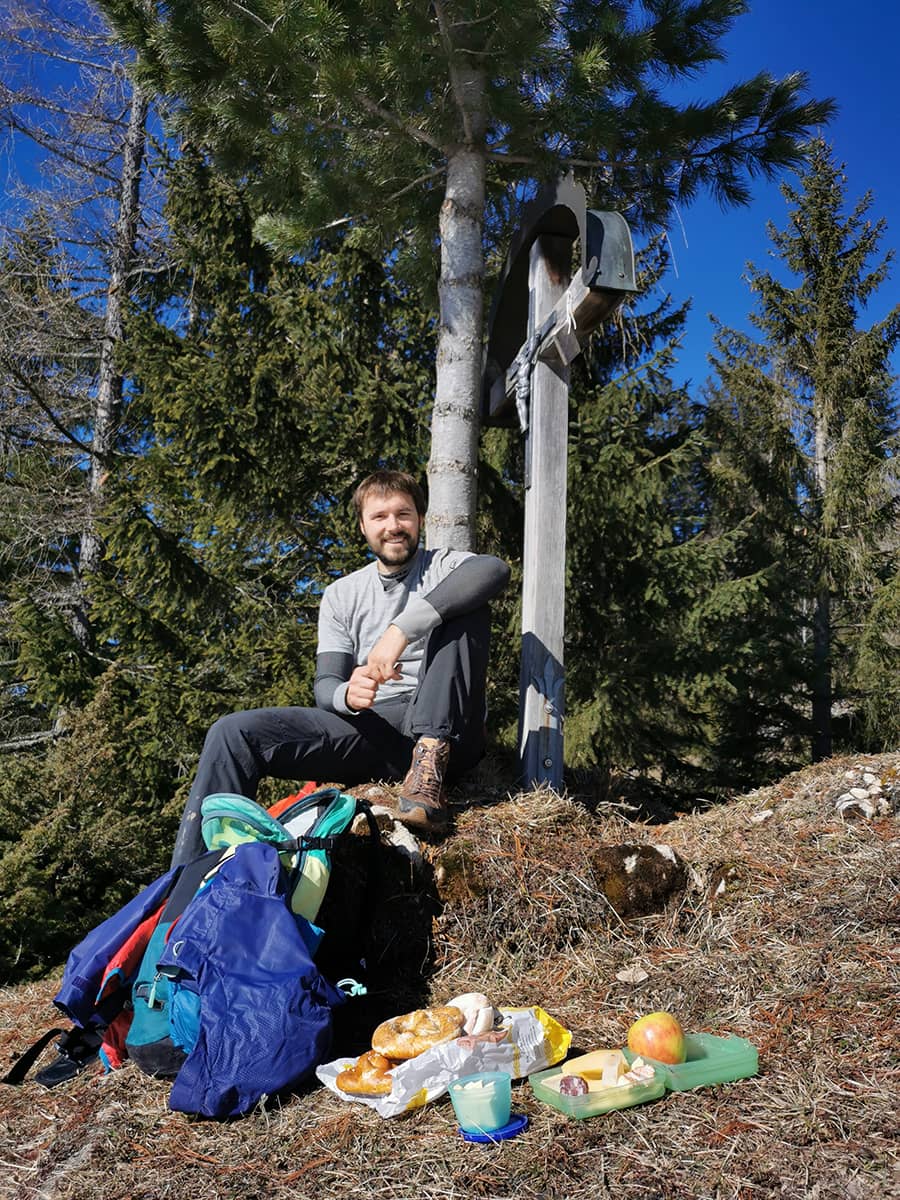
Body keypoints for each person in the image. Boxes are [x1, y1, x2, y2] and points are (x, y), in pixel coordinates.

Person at [170, 470, 510, 866]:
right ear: (363, 526)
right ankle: (192, 877)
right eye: (379, 516)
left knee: (466, 607)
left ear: (420, 519)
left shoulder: (444, 566)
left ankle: (428, 768)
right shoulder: (341, 595)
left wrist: (401, 630)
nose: (393, 526)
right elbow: (325, 684)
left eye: (403, 514)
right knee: (232, 734)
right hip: (380, 730)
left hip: (450, 732)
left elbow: (493, 570)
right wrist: (346, 694)